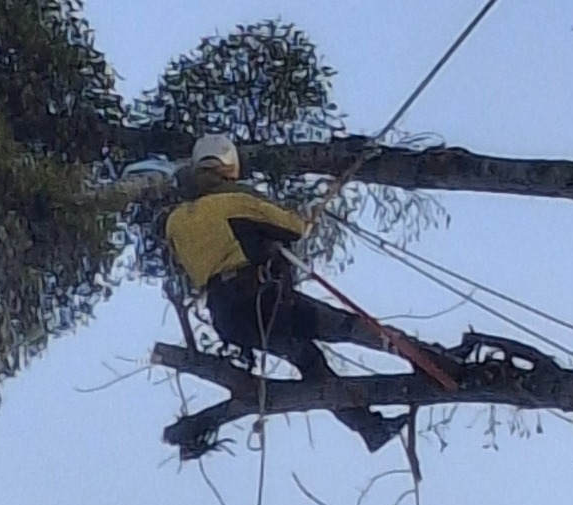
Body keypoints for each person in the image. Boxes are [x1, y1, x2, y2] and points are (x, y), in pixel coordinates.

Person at [164, 133, 406, 452]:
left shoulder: (175, 222)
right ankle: (438, 362)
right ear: (229, 165)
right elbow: (295, 227)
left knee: (308, 359)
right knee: (348, 327)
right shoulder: (235, 200)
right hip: (263, 300)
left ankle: (368, 427)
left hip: (228, 319)